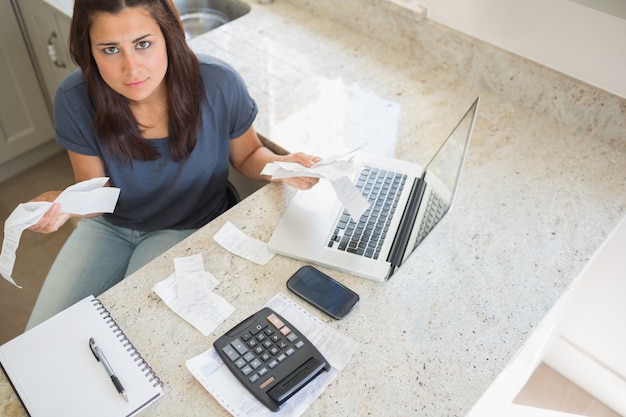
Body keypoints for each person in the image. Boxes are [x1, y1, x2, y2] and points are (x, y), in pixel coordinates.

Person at [25, 0, 319, 328]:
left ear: (170, 35)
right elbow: (95, 188)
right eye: (110, 49)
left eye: (143, 44)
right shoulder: (74, 97)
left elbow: (248, 156)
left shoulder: (219, 83)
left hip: (185, 225)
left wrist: (282, 165)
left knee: (127, 330)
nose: (131, 68)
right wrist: (63, 202)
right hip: (110, 226)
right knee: (38, 334)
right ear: (87, 51)